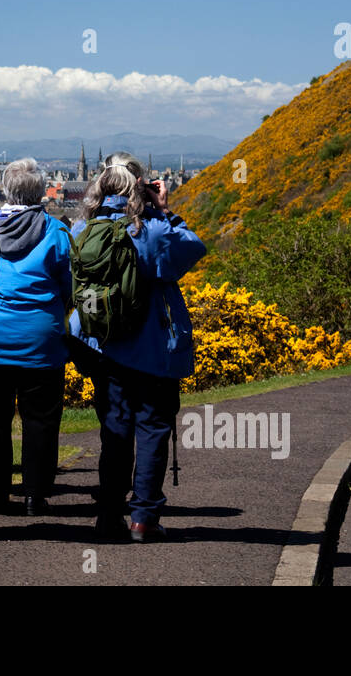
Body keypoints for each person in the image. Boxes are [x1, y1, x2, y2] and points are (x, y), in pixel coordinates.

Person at [68, 152, 205, 542]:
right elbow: (193, 248)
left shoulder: (82, 230)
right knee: (152, 429)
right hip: (151, 349)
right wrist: (166, 211)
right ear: (138, 191)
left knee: (114, 431)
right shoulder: (153, 230)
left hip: (102, 347)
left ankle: (108, 515)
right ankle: (143, 518)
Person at [0, 158, 73, 516]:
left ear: (5, 189)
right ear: (40, 191)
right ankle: (35, 492)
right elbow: (68, 287)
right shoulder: (55, 231)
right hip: (40, 340)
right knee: (41, 420)